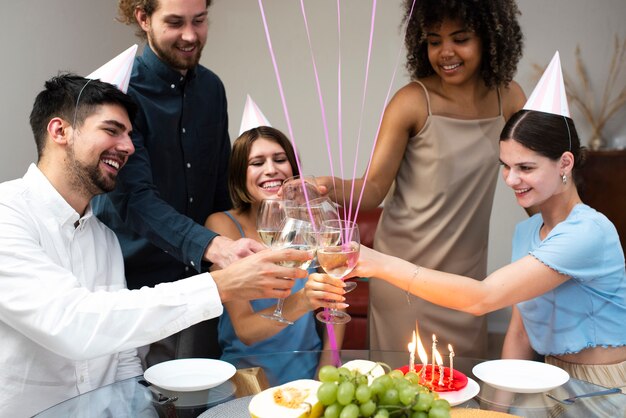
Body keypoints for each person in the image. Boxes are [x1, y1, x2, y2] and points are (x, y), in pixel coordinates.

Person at [0, 74, 312, 416]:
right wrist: (218, 285)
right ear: (60, 131)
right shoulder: (8, 214)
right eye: (112, 130)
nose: (129, 147)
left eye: (129, 134)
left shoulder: (103, 238)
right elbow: (72, 323)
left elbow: (123, 360)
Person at [312, 107, 626, 390]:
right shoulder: (528, 231)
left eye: (525, 168)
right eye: (505, 165)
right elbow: (520, 333)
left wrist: (380, 263)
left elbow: (483, 298)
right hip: (550, 377)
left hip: (601, 384)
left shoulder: (587, 232)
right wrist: (498, 407)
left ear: (565, 163)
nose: (511, 179)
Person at [316, 0, 527, 358]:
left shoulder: (509, 97)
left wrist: (560, 232)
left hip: (467, 282)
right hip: (402, 277)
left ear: (489, 39)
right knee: (403, 395)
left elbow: (532, 176)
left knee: (462, 397)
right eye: (433, 40)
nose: (445, 52)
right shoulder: (412, 101)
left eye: (460, 38)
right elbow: (373, 191)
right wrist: (326, 186)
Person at [93, 0, 261, 365]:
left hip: (203, 282)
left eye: (199, 21)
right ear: (143, 18)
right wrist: (214, 246)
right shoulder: (121, 94)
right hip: (136, 285)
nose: (190, 35)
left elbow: (220, 189)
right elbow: (135, 199)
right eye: (175, 22)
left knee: (201, 400)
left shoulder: (212, 90)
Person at [205, 124, 347, 385]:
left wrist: (325, 376)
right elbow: (245, 331)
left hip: (309, 374)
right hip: (248, 381)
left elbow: (335, 310)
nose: (271, 169)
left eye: (280, 159)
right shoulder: (221, 227)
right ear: (239, 175)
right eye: (257, 163)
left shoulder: (315, 221)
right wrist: (305, 299)